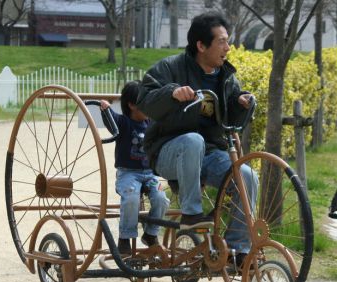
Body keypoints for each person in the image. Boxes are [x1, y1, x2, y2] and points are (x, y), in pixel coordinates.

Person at [136, 12, 257, 267]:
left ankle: (237, 250)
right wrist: (172, 93)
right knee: (192, 141)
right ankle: (191, 215)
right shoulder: (170, 67)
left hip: (209, 153)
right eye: (221, 41)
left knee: (247, 176)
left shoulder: (226, 77)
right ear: (201, 46)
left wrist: (241, 103)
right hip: (167, 151)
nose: (227, 47)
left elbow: (230, 120)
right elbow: (144, 100)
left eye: (228, 41)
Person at [100, 81, 170, 256]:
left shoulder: (151, 123)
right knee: (131, 198)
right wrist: (105, 109)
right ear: (131, 105)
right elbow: (111, 122)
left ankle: (151, 233)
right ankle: (125, 236)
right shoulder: (123, 122)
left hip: (149, 174)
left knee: (161, 198)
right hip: (128, 173)